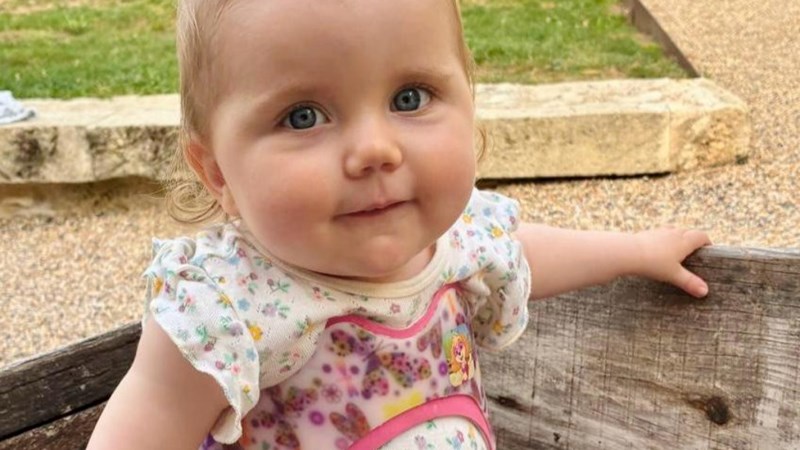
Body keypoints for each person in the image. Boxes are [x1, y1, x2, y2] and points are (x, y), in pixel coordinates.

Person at [87, 1, 712, 449]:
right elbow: (143, 428)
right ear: (217, 171)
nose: (375, 150)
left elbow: (520, 251)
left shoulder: (456, 241)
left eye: (409, 97)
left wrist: (632, 250)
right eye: (303, 116)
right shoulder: (227, 308)